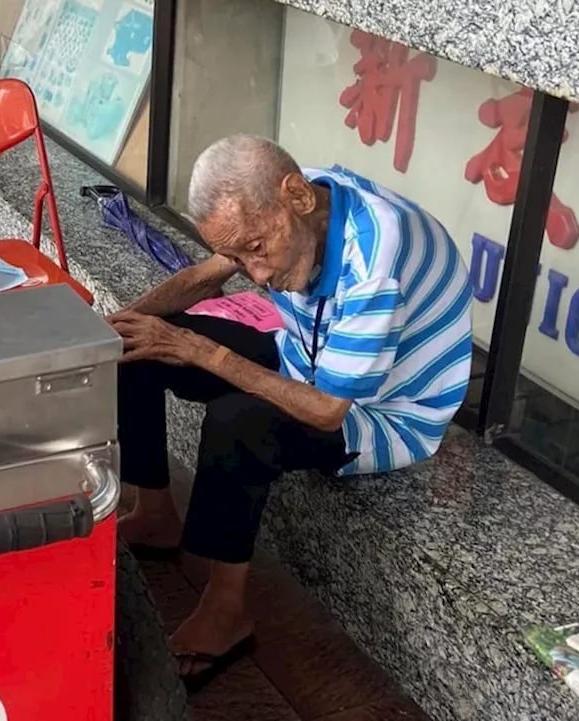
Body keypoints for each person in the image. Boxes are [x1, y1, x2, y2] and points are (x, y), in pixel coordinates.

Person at [110, 135, 472, 691]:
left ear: (297, 198)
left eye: (257, 249)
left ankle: (225, 608)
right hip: (306, 356)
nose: (254, 274)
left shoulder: (376, 261)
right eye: (240, 256)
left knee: (239, 423)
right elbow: (210, 275)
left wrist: (202, 351)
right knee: (139, 347)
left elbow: (327, 410)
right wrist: (115, 325)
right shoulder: (289, 196)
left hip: (383, 413)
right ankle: (155, 513)